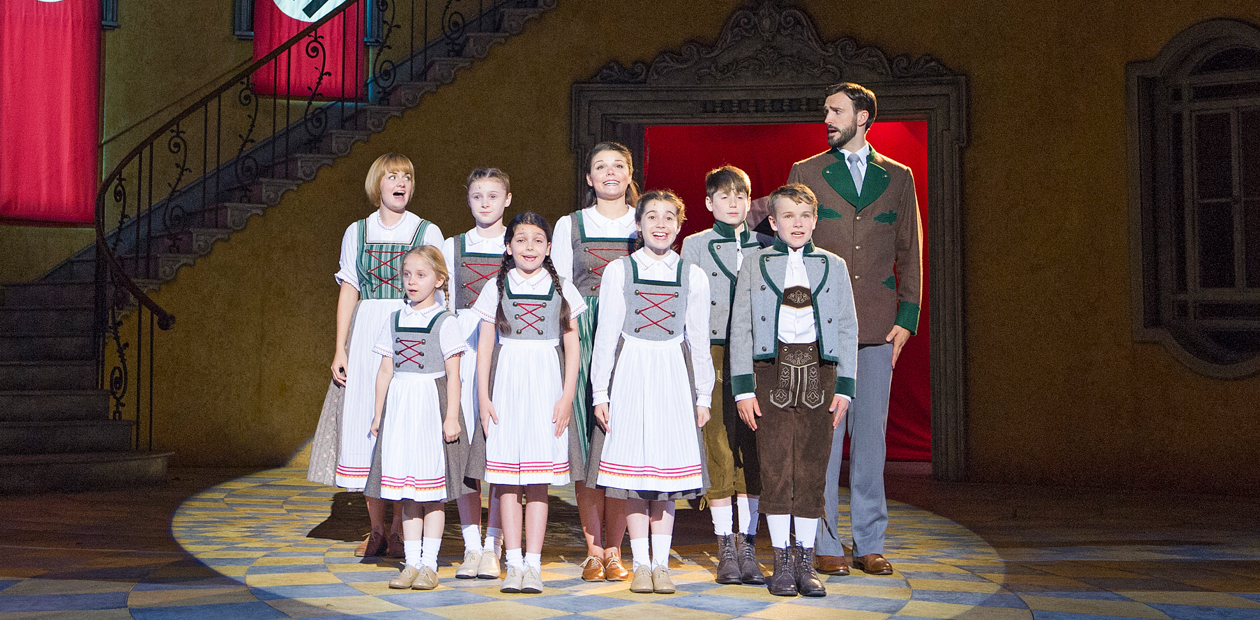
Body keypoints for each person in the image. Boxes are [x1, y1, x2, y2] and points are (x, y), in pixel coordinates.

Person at [786, 83, 922, 577]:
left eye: (836, 110)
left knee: (871, 440)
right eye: (826, 110)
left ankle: (870, 542)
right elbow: (792, 248)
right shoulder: (807, 172)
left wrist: (907, 318)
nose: (827, 117)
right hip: (820, 327)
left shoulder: (899, 176)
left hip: (879, 327)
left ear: (863, 117)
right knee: (824, 437)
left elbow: (910, 248)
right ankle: (824, 540)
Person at [310, 152, 444, 558]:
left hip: (412, 326)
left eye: (406, 176)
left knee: (403, 426)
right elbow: (349, 288)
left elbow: (440, 291)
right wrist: (339, 347)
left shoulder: (427, 230)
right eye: (392, 177)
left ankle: (404, 530)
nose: (400, 183)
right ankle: (377, 529)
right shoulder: (357, 231)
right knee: (366, 429)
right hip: (368, 329)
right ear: (377, 185)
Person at [731, 184, 858, 597]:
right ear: (773, 222)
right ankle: (781, 559)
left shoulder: (833, 265)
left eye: (804, 216)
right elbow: (742, 326)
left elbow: (846, 325)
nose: (797, 223)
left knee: (811, 465)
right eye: (788, 216)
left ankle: (806, 559)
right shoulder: (755, 263)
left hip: (819, 371)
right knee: (774, 467)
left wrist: (845, 385)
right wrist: (743, 388)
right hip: (770, 370)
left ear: (815, 220)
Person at [590, 190, 714, 594]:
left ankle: (662, 564)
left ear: (679, 226)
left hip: (672, 377)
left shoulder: (692, 275)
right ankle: (640, 562)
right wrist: (600, 393)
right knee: (635, 474)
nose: (660, 224)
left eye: (668, 218)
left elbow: (697, 341)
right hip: (631, 374)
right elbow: (606, 336)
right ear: (639, 225)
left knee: (664, 478)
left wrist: (703, 395)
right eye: (651, 217)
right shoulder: (619, 271)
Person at [467, 211, 585, 594]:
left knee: (537, 480)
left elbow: (572, 344)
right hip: (508, 383)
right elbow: (486, 345)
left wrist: (567, 396)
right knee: (505, 478)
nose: (529, 247)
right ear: (508, 246)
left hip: (547, 383)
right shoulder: (496, 286)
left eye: (537, 240)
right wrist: (484, 396)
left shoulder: (562, 286)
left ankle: (533, 564)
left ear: (549, 247)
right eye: (521, 239)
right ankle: (512, 562)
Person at [550, 142, 638, 582]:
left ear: (628, 174)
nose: (609, 173)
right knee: (588, 443)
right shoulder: (571, 224)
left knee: (618, 442)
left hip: (632, 338)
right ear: (588, 178)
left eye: (617, 166)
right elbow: (562, 284)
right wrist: (583, 332)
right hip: (585, 333)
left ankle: (616, 550)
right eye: (600, 167)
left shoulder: (644, 221)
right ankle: (592, 550)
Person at [680, 166, 766, 586]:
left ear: (749, 202)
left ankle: (749, 543)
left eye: (740, 195)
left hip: (756, 356)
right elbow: (686, 308)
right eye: (724, 196)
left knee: (753, 446)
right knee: (717, 444)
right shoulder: (694, 246)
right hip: (712, 351)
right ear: (709, 202)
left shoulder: (766, 245)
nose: (733, 203)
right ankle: (724, 546)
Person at [368, 246, 468, 590]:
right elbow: (385, 370)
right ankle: (410, 563)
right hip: (400, 409)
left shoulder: (445, 321)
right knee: (408, 492)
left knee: (430, 492)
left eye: (421, 275)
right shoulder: (395, 319)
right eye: (407, 274)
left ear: (439, 280)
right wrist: (379, 413)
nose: (412, 281)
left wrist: (451, 417)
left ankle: (429, 564)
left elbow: (454, 374)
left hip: (429, 407)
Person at [442, 168, 511, 579]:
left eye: (492, 195)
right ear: (467, 201)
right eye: (476, 196)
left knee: (498, 453)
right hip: (466, 355)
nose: (484, 203)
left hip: (508, 354)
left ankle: (495, 545)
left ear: (507, 199)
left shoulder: (518, 244)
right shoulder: (452, 247)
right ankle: (470, 545)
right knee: (467, 452)